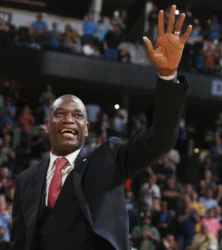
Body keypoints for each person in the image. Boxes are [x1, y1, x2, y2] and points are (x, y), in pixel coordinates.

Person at [11, 5, 192, 250]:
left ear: (86, 128)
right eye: (60, 114)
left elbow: (160, 139)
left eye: (77, 115)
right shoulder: (26, 180)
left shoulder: (108, 158)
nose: (68, 119)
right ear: (46, 125)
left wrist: (168, 75)